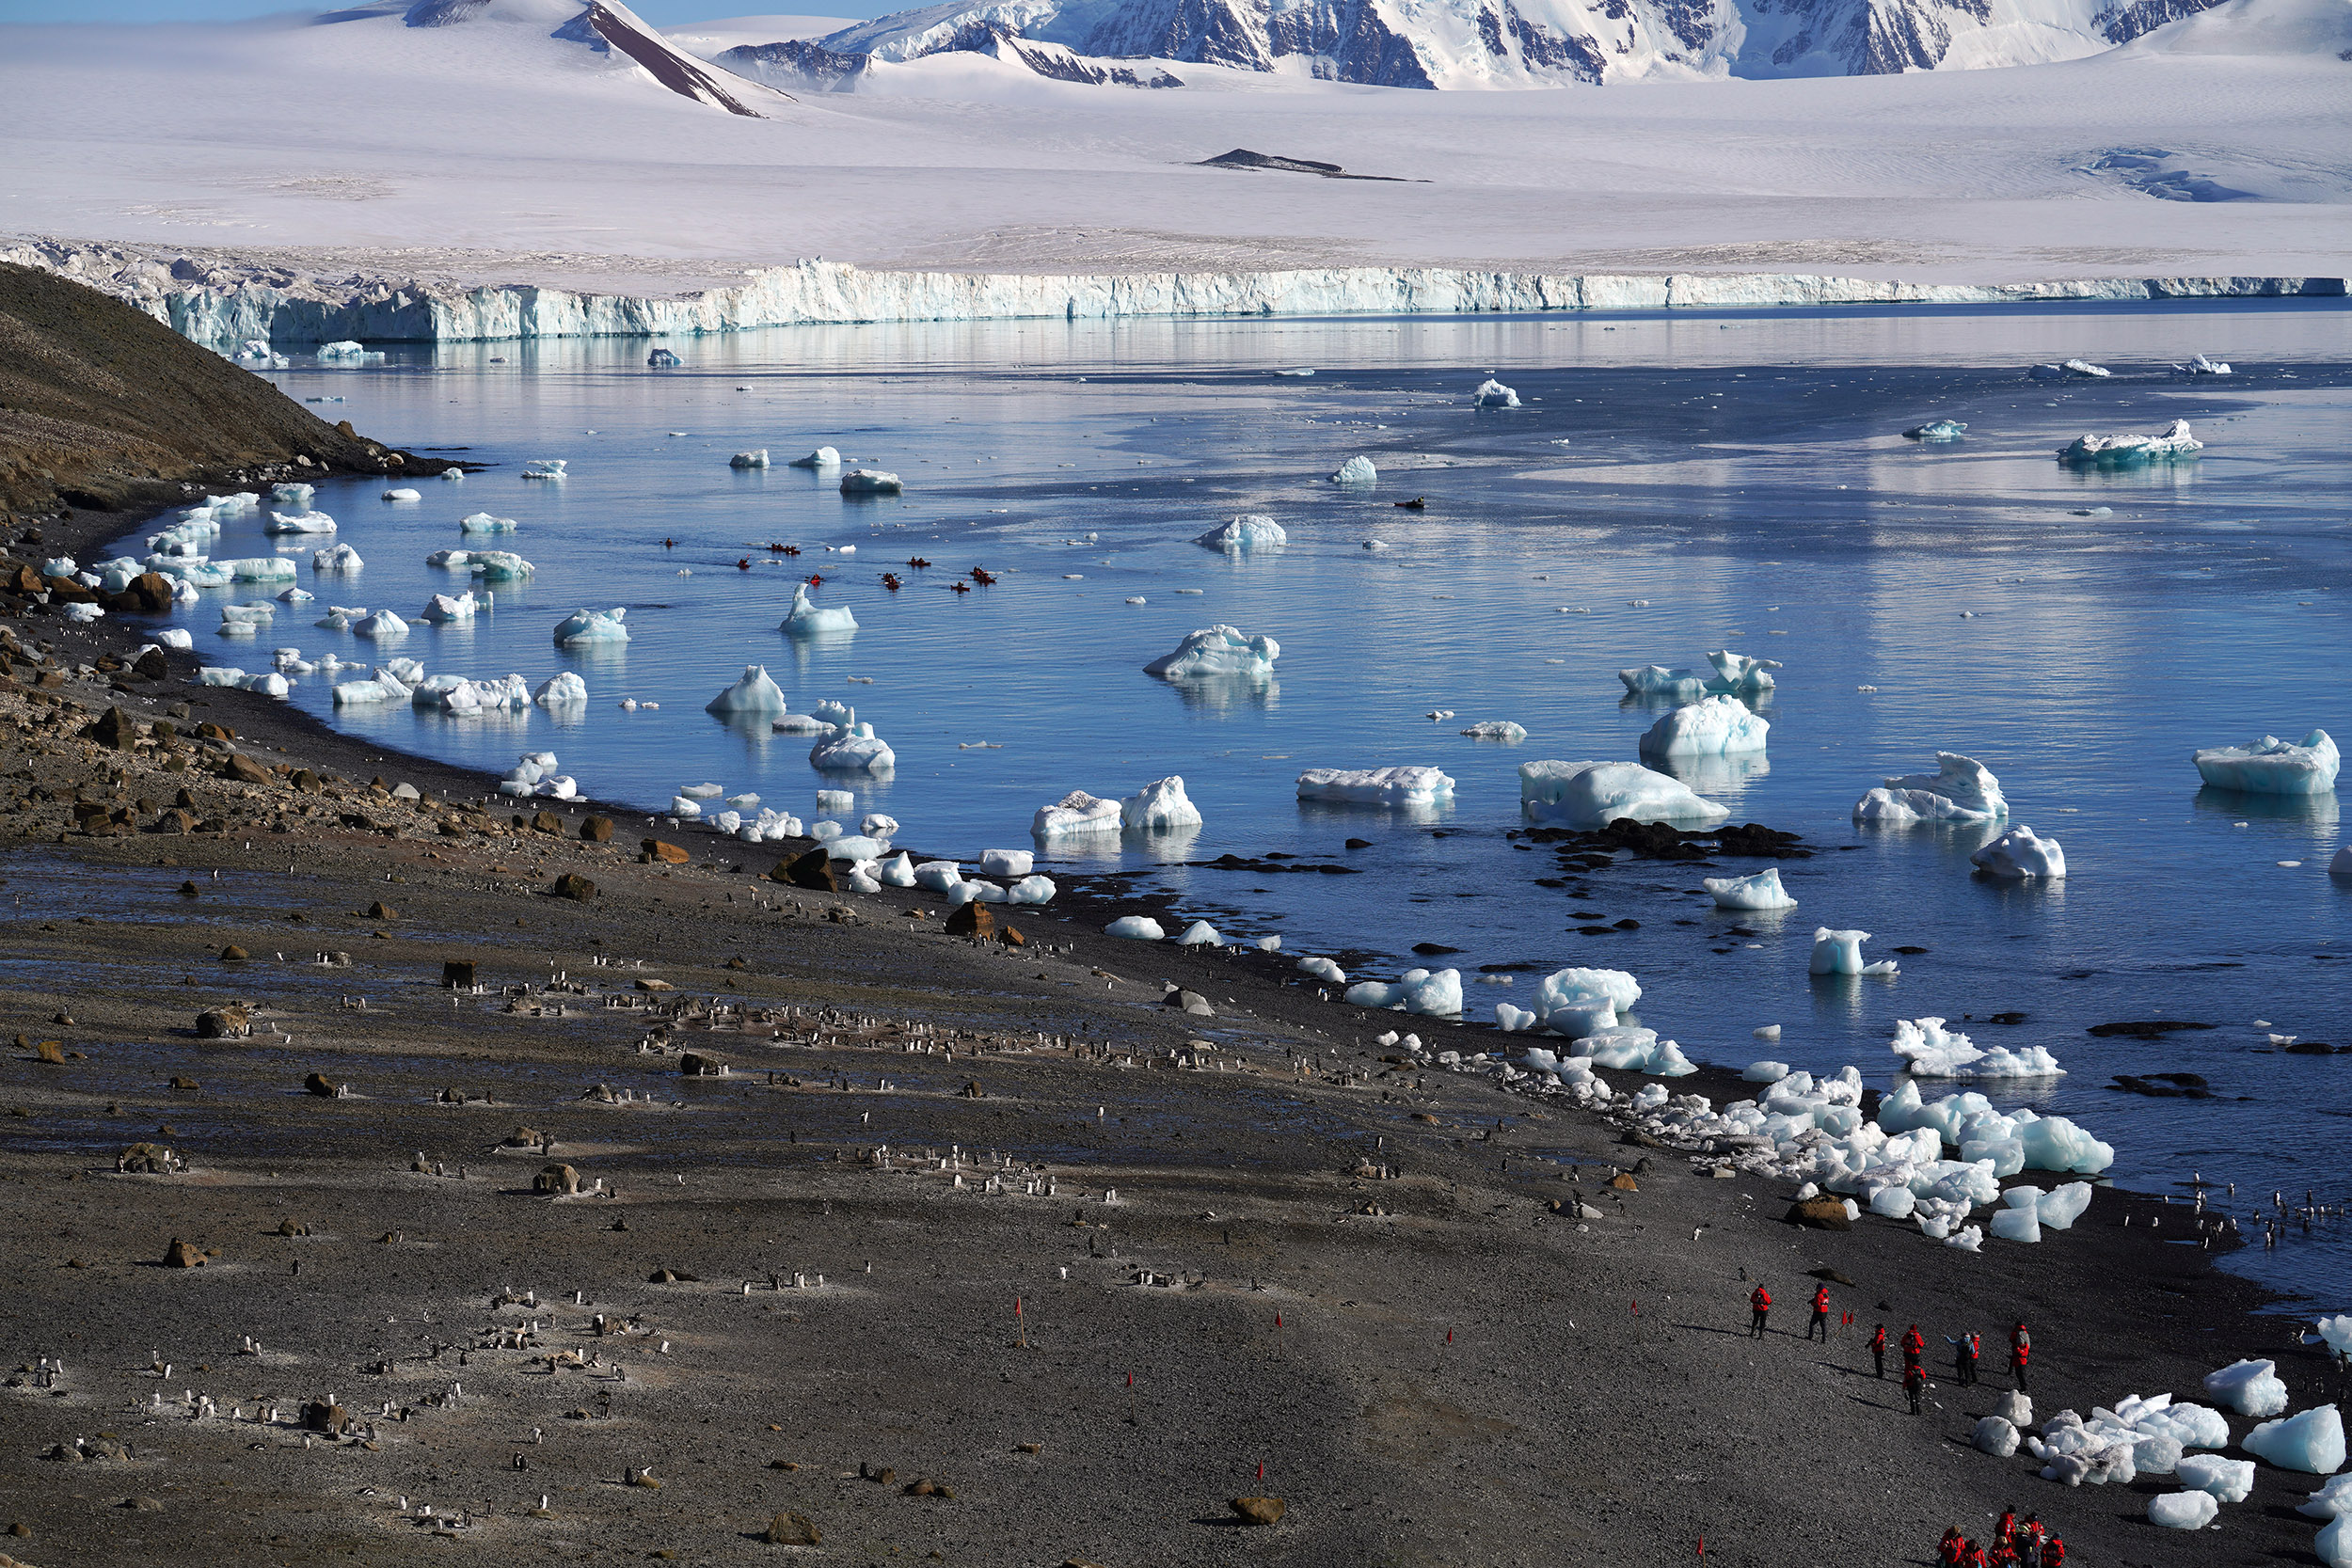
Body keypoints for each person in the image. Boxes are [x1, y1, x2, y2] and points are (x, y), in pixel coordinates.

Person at [2010, 1323, 2031, 1392]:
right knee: (2019, 1374)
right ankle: (2023, 1387)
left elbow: (2011, 1339)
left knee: (2020, 1374)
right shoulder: (2024, 1333)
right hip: (2020, 1359)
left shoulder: (2017, 1333)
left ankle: (2024, 1388)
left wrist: (2017, 1348)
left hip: (2020, 1360)